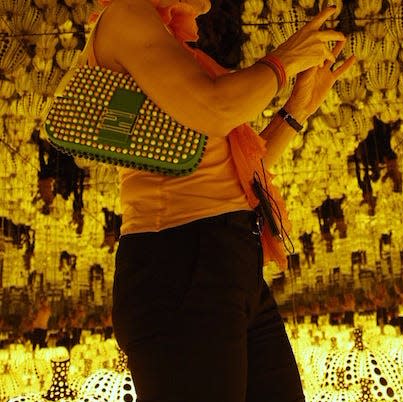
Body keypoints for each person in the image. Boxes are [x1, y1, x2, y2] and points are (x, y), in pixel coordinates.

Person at [89, 1, 354, 401]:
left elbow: (238, 172)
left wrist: (296, 110)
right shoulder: (125, 16)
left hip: (229, 260)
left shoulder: (176, 51)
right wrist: (284, 59)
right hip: (179, 261)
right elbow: (219, 106)